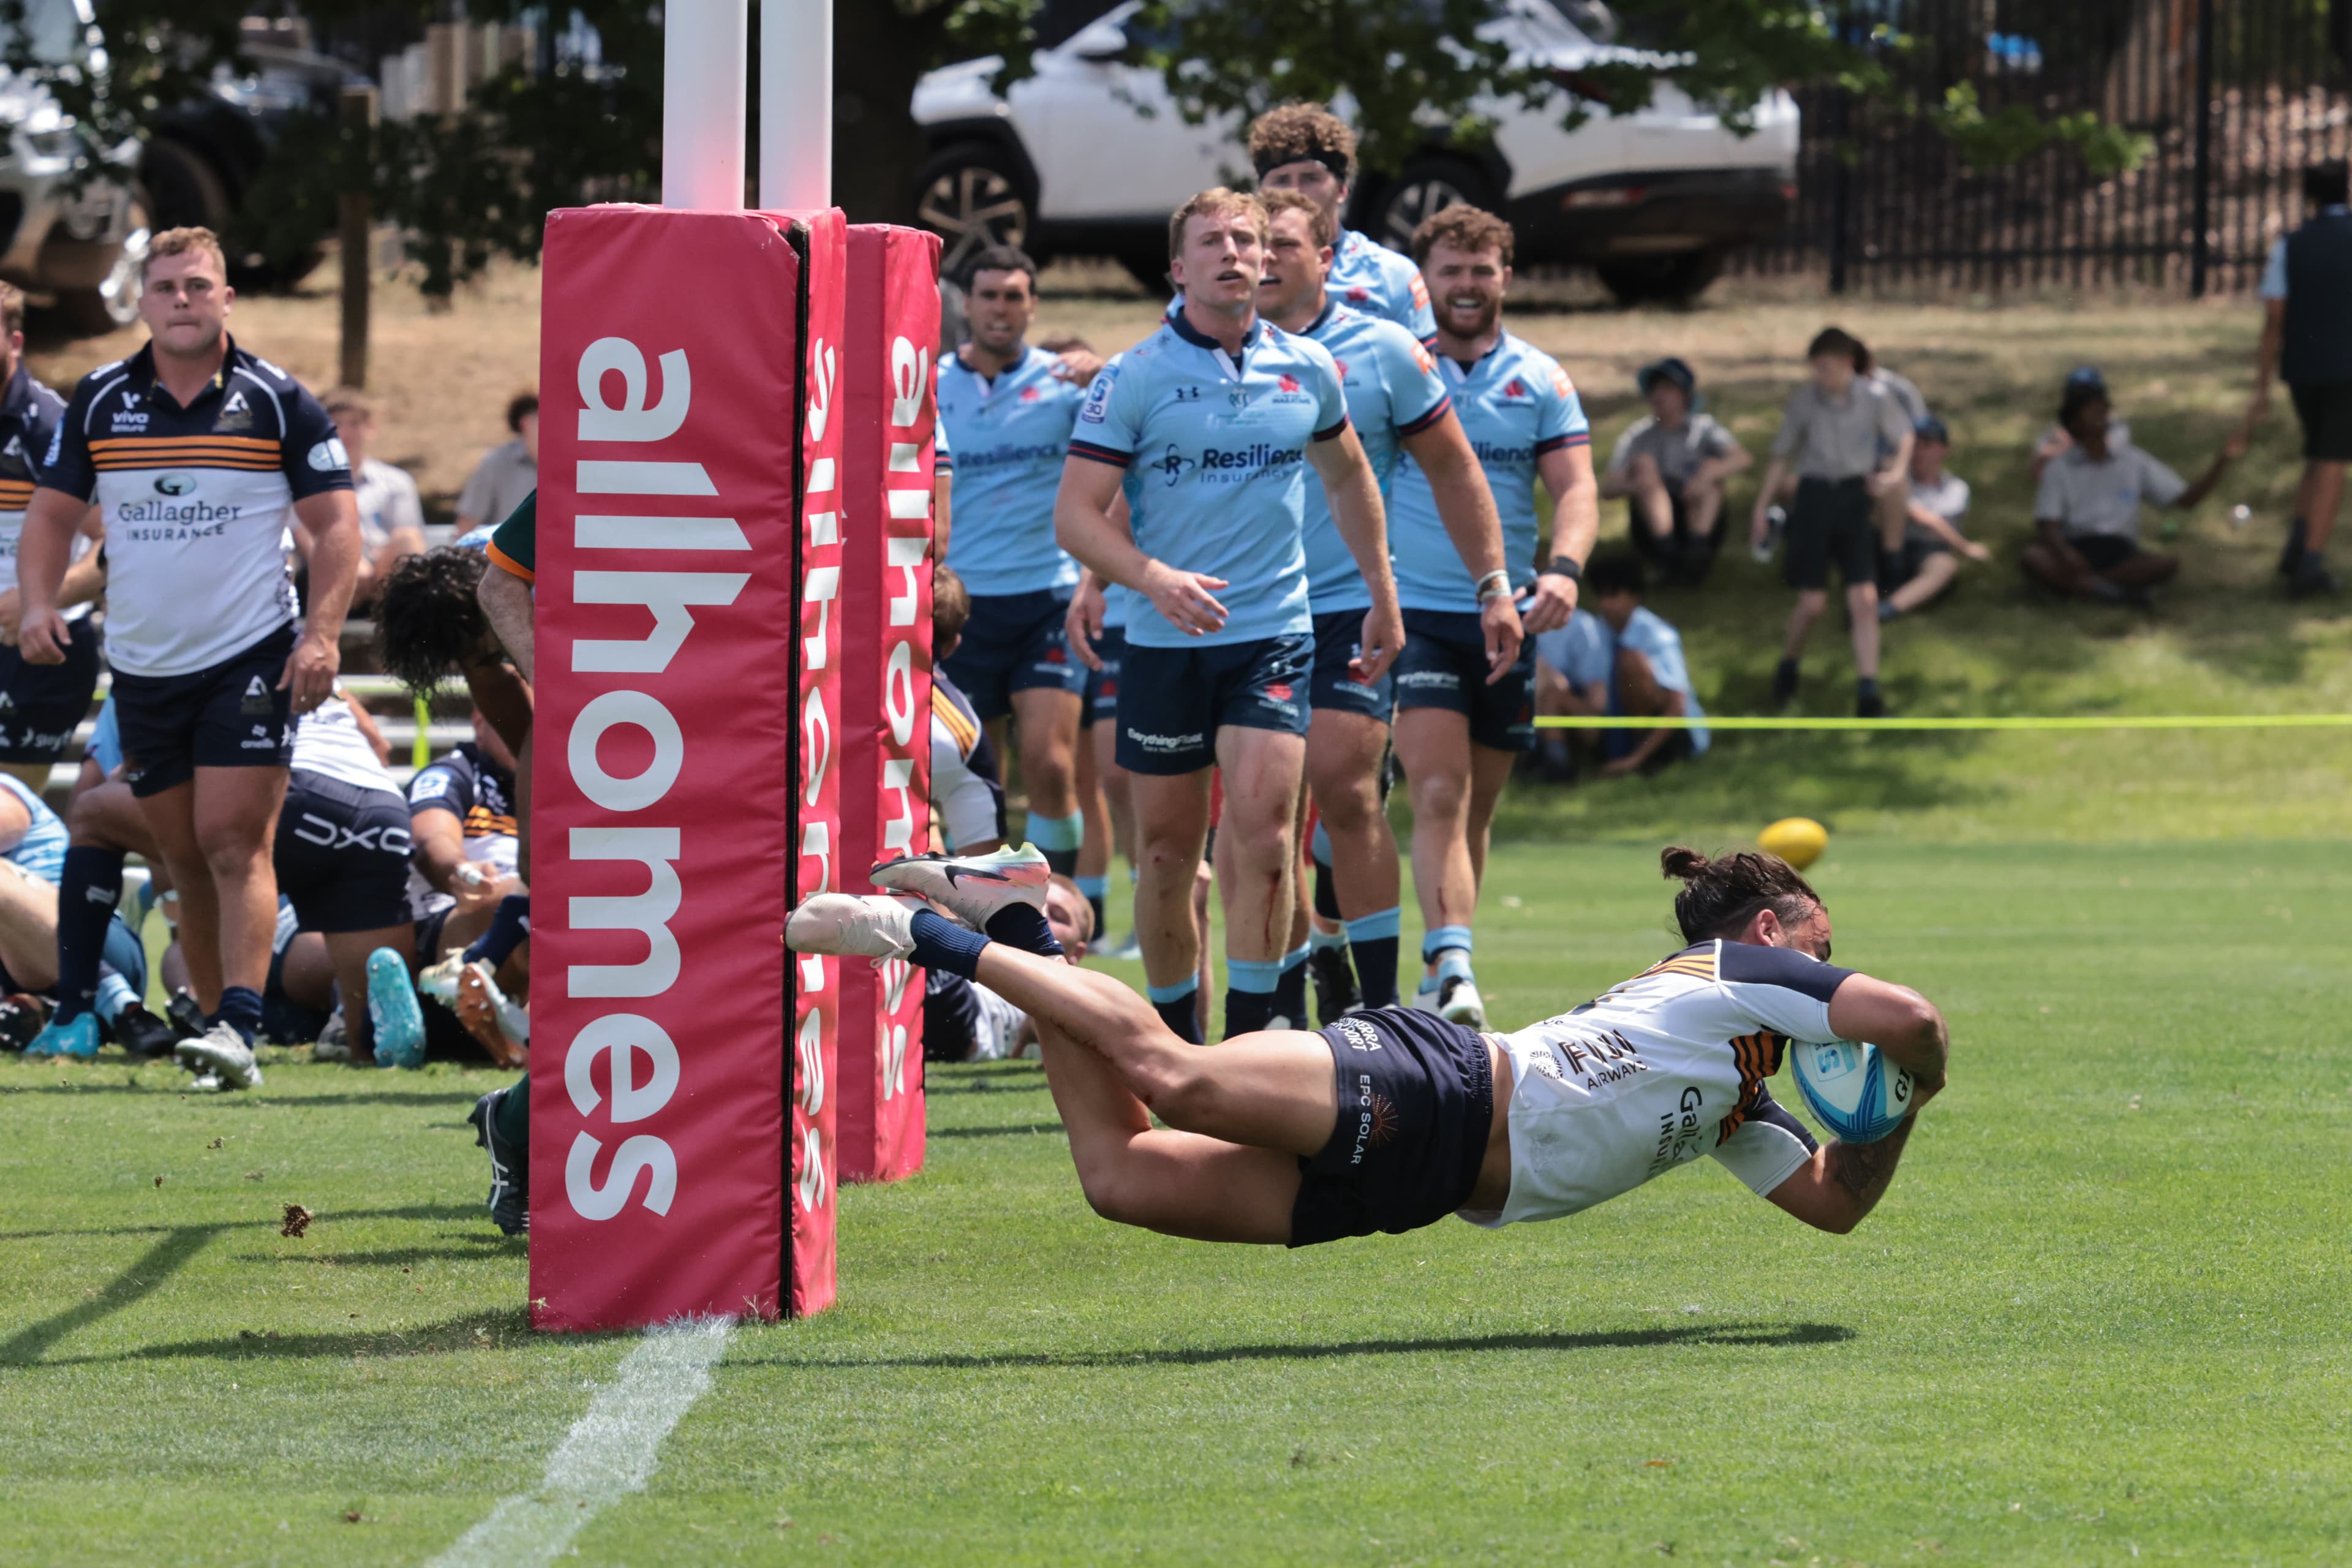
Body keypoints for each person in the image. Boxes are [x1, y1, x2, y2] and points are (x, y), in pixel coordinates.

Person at [793, 842, 1948, 1248]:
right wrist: (1915, 1067)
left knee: (1125, 1178)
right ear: (1772, 932)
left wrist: (1890, 1115)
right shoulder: (1744, 970)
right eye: (1825, 941)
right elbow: (1914, 1021)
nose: (1833, 963)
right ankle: (919, 935)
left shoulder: (1743, 1095)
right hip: (1443, 1089)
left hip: (1425, 1183)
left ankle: (1014, 918)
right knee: (1175, 1075)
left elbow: (1832, 1206)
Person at [17, 225, 361, 1093]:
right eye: (166, 286)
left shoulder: (278, 399)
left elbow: (334, 527)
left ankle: (241, 1025)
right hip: (142, 668)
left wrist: (320, 635)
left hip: (249, 655)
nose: (182, 300)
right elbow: (53, 518)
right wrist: (35, 604)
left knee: (231, 839)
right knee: (180, 858)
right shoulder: (99, 399)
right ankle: (216, 1032)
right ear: (142, 301)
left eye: (198, 286)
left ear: (225, 299)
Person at [1055, 187, 1401, 1044]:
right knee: (1171, 855)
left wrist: (1381, 594)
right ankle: (1173, 1046)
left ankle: (1249, 1049)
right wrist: (1152, 578)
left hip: (1275, 638)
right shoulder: (1134, 378)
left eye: (1246, 239)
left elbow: (1350, 476)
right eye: (1212, 241)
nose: (1234, 252)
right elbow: (1074, 517)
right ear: (1180, 268)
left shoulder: (1307, 368)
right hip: (1168, 646)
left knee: (1263, 836)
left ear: (1269, 259)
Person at [1254, 189, 1515, 1023]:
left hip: (1345, 606)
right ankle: (1285, 999)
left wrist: (1492, 586)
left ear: (1327, 257)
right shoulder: (1209, 353)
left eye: (1283, 247)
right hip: (1245, 614)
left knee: (1345, 787)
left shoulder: (1385, 350)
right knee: (1267, 815)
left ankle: (1383, 1012)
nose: (1262, 262)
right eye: (1251, 246)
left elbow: (1455, 469)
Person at [1389, 204, 1592, 1030]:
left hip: (1507, 618)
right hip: (1420, 613)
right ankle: (1452, 968)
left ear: (1505, 277)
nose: (1466, 285)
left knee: (1475, 808)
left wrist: (1566, 574)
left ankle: (1449, 955)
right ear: (1425, 279)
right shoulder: (1400, 368)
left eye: (1481, 270)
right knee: (1438, 789)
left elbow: (1576, 488)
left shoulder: (1540, 377)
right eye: (1450, 270)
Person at [935, 246, 1093, 876]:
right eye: (990, 295)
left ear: (1032, 305)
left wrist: (1108, 373)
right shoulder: (930, 381)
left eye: (1014, 296)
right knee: (978, 770)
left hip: (1047, 599)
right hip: (963, 604)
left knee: (1051, 764)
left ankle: (1066, 908)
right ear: (967, 304)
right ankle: (987, 918)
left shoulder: (1065, 382)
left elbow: (1124, 457)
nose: (1001, 308)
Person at [1750, 326, 1912, 718]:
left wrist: (1894, 475)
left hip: (1855, 498)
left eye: (1825, 368)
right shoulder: (1805, 401)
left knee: (1865, 599)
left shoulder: (1875, 397)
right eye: (1815, 368)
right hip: (1814, 499)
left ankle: (1868, 694)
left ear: (1846, 365)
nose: (1819, 376)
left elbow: (1905, 436)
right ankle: (1788, 667)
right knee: (1814, 603)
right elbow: (1781, 455)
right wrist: (1761, 506)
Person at [262, 688, 423, 1066]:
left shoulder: (227, 650)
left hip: (294, 789)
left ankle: (101, 1000)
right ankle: (354, 1029)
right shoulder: (325, 675)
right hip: (383, 807)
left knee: (96, 820)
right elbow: (380, 747)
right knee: (363, 1021)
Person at [20, 699, 178, 1060]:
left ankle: (120, 1003)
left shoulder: (7, 790)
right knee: (180, 961)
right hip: (35, 969)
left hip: (92, 952)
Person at [0, 284, 106, 796]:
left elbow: (118, 545)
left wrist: (38, 600)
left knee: (6, 826)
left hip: (35, 655)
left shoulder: (48, 425)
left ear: (15, 341)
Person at [2021, 379, 2245, 607]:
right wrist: (2066, 553)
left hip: (2119, 552)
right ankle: (2114, 592)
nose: (2101, 413)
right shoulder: (2060, 468)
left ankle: (2090, 588)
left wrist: (2223, 460)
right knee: (2034, 558)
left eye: (2103, 408)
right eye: (2091, 409)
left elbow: (2186, 499)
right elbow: (2047, 524)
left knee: (2165, 565)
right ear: (2074, 423)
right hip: (2077, 547)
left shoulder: (2132, 461)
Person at [1246, 102, 1436, 344]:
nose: (1295, 191)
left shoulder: (1391, 275)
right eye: (1282, 180)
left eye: (1310, 178)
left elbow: (1421, 376)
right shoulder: (1239, 272)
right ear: (1261, 191)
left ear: (1343, 189)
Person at [2250, 159, 2352, 597]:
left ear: (2308, 196)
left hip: (2303, 369)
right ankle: (2310, 563)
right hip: (2347, 370)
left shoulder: (2290, 245)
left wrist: (2261, 385)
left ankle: (2296, 543)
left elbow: (2275, 317)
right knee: (2332, 460)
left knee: (2316, 451)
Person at [1534, 552, 1710, 778]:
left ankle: (1646, 759)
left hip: (1670, 735)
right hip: (1611, 726)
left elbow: (1677, 705)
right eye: (1601, 594)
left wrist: (1634, 760)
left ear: (1634, 596)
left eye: (1614, 594)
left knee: (1629, 661)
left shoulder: (1657, 636)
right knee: (1552, 694)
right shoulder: (1595, 631)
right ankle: (1556, 766)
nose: (1605, 603)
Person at [1598, 356, 1749, 586]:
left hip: (1698, 514)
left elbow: (1743, 458)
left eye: (1668, 388)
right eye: (1655, 389)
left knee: (1711, 473)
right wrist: (1642, 485)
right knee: (1645, 466)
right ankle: (1666, 550)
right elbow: (1608, 488)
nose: (1659, 395)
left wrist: (1704, 477)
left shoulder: (1703, 428)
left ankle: (1697, 551)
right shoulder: (1637, 436)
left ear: (1685, 395)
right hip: (1651, 525)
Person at [1878, 417, 1988, 619]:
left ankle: (1889, 609)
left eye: (1927, 445)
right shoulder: (1897, 484)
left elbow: (1934, 525)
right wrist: (1966, 548)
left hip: (1926, 552)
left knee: (1945, 565)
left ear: (1943, 450)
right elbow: (1926, 519)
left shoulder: (1956, 488)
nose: (1918, 452)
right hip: (1888, 549)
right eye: (1915, 445)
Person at [322, 386, 425, 600]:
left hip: (382, 569)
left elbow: (406, 533)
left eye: (354, 423)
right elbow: (305, 535)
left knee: (408, 540)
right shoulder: (308, 481)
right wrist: (351, 561)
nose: (345, 433)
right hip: (328, 571)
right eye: (337, 424)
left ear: (370, 428)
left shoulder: (396, 481)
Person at [454, 391, 538, 541]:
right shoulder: (497, 463)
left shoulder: (573, 462)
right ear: (525, 422)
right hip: (506, 561)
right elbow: (468, 522)